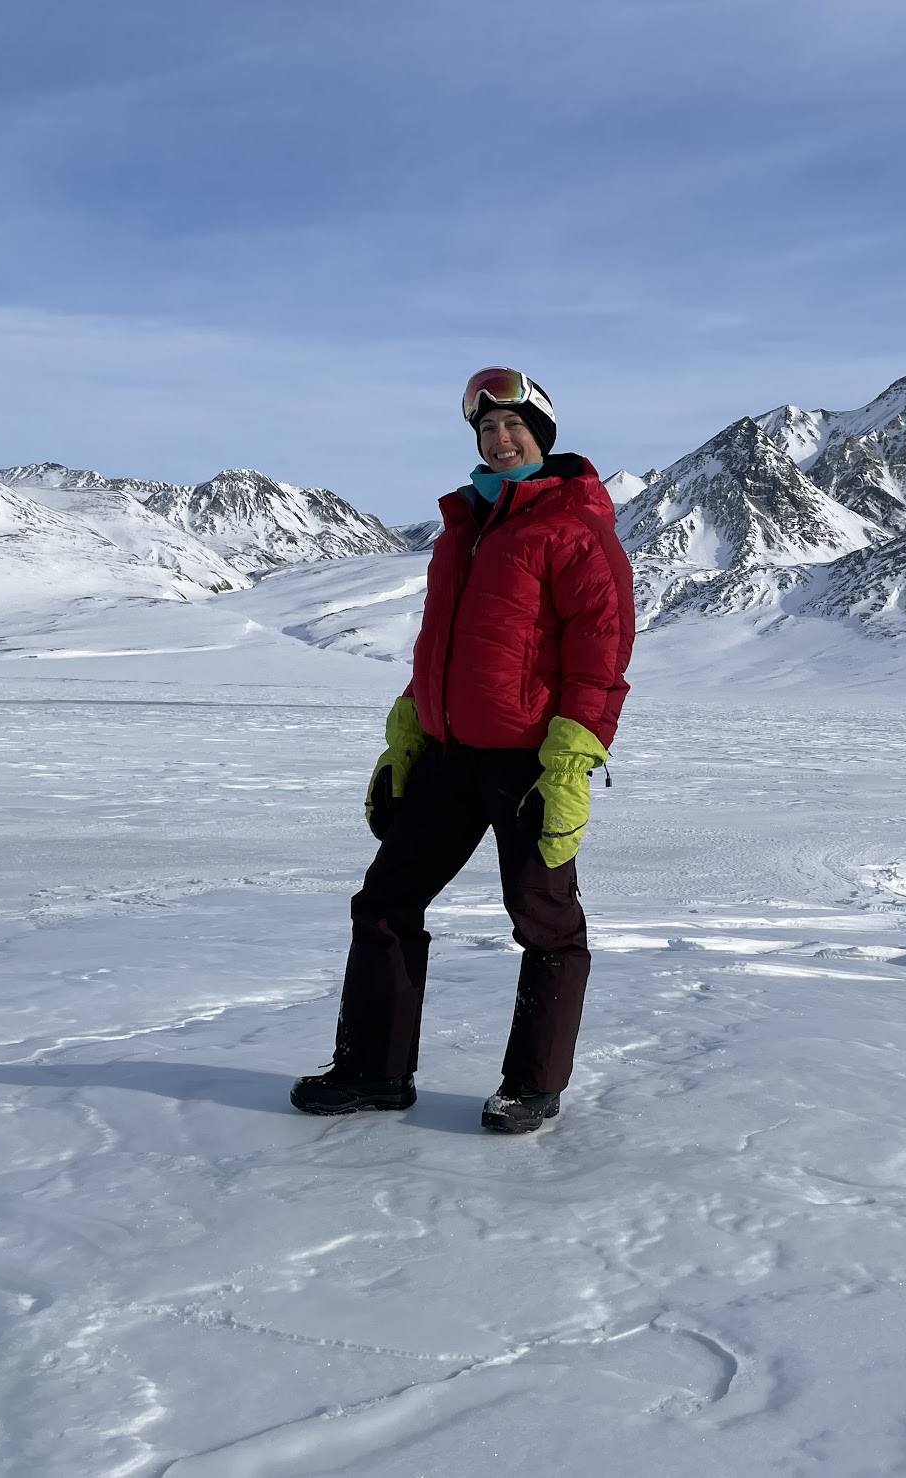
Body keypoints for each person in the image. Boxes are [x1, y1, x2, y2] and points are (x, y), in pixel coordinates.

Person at [292, 368, 636, 1133]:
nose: (499, 438)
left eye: (513, 426)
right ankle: (375, 1071)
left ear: (541, 436)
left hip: (527, 762)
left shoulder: (575, 528)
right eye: (486, 429)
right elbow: (438, 647)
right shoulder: (462, 530)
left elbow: (600, 655)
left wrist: (572, 761)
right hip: (450, 756)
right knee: (383, 904)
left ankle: (533, 1085)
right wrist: (407, 737)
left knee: (545, 923)